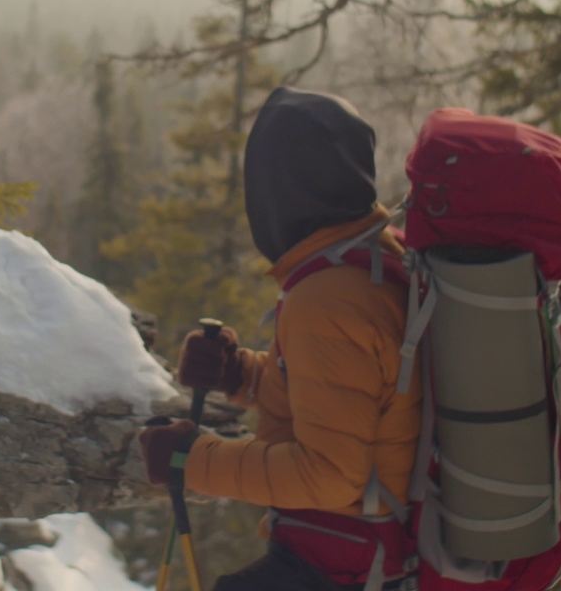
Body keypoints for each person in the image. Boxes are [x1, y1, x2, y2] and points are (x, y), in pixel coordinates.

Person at [138, 87, 421, 591]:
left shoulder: (329, 296)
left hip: (346, 565)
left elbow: (329, 474)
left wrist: (190, 459)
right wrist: (242, 374)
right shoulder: (374, 256)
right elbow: (353, 395)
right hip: (372, 553)